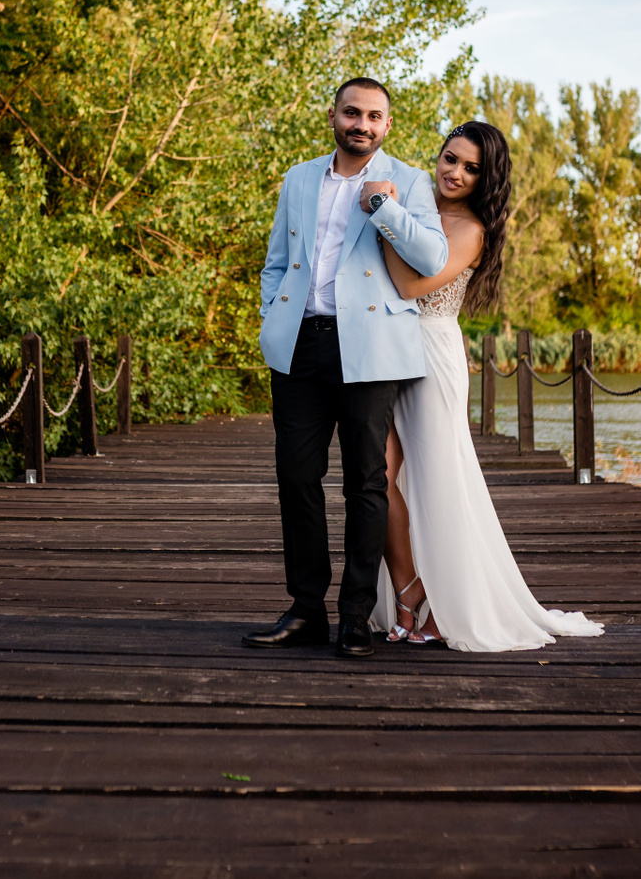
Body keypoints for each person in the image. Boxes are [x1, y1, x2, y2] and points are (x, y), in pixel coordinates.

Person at [368, 121, 603, 651]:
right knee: (375, 476)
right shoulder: (415, 203)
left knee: (438, 482)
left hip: (431, 356)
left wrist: (383, 216)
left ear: (486, 179)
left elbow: (409, 286)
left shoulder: (469, 228)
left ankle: (446, 604)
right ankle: (409, 588)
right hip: (385, 349)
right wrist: (394, 212)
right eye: (450, 158)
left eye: (471, 168)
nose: (455, 173)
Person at [241, 78, 449, 659]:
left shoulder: (409, 181)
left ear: (387, 125)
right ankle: (306, 609)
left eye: (374, 116)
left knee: (366, 481)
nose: (362, 124)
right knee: (296, 477)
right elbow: (277, 262)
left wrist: (383, 207)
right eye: (352, 112)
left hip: (371, 347)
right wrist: (272, 317)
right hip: (299, 344)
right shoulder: (299, 178)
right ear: (333, 115)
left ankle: (355, 615)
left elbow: (432, 258)